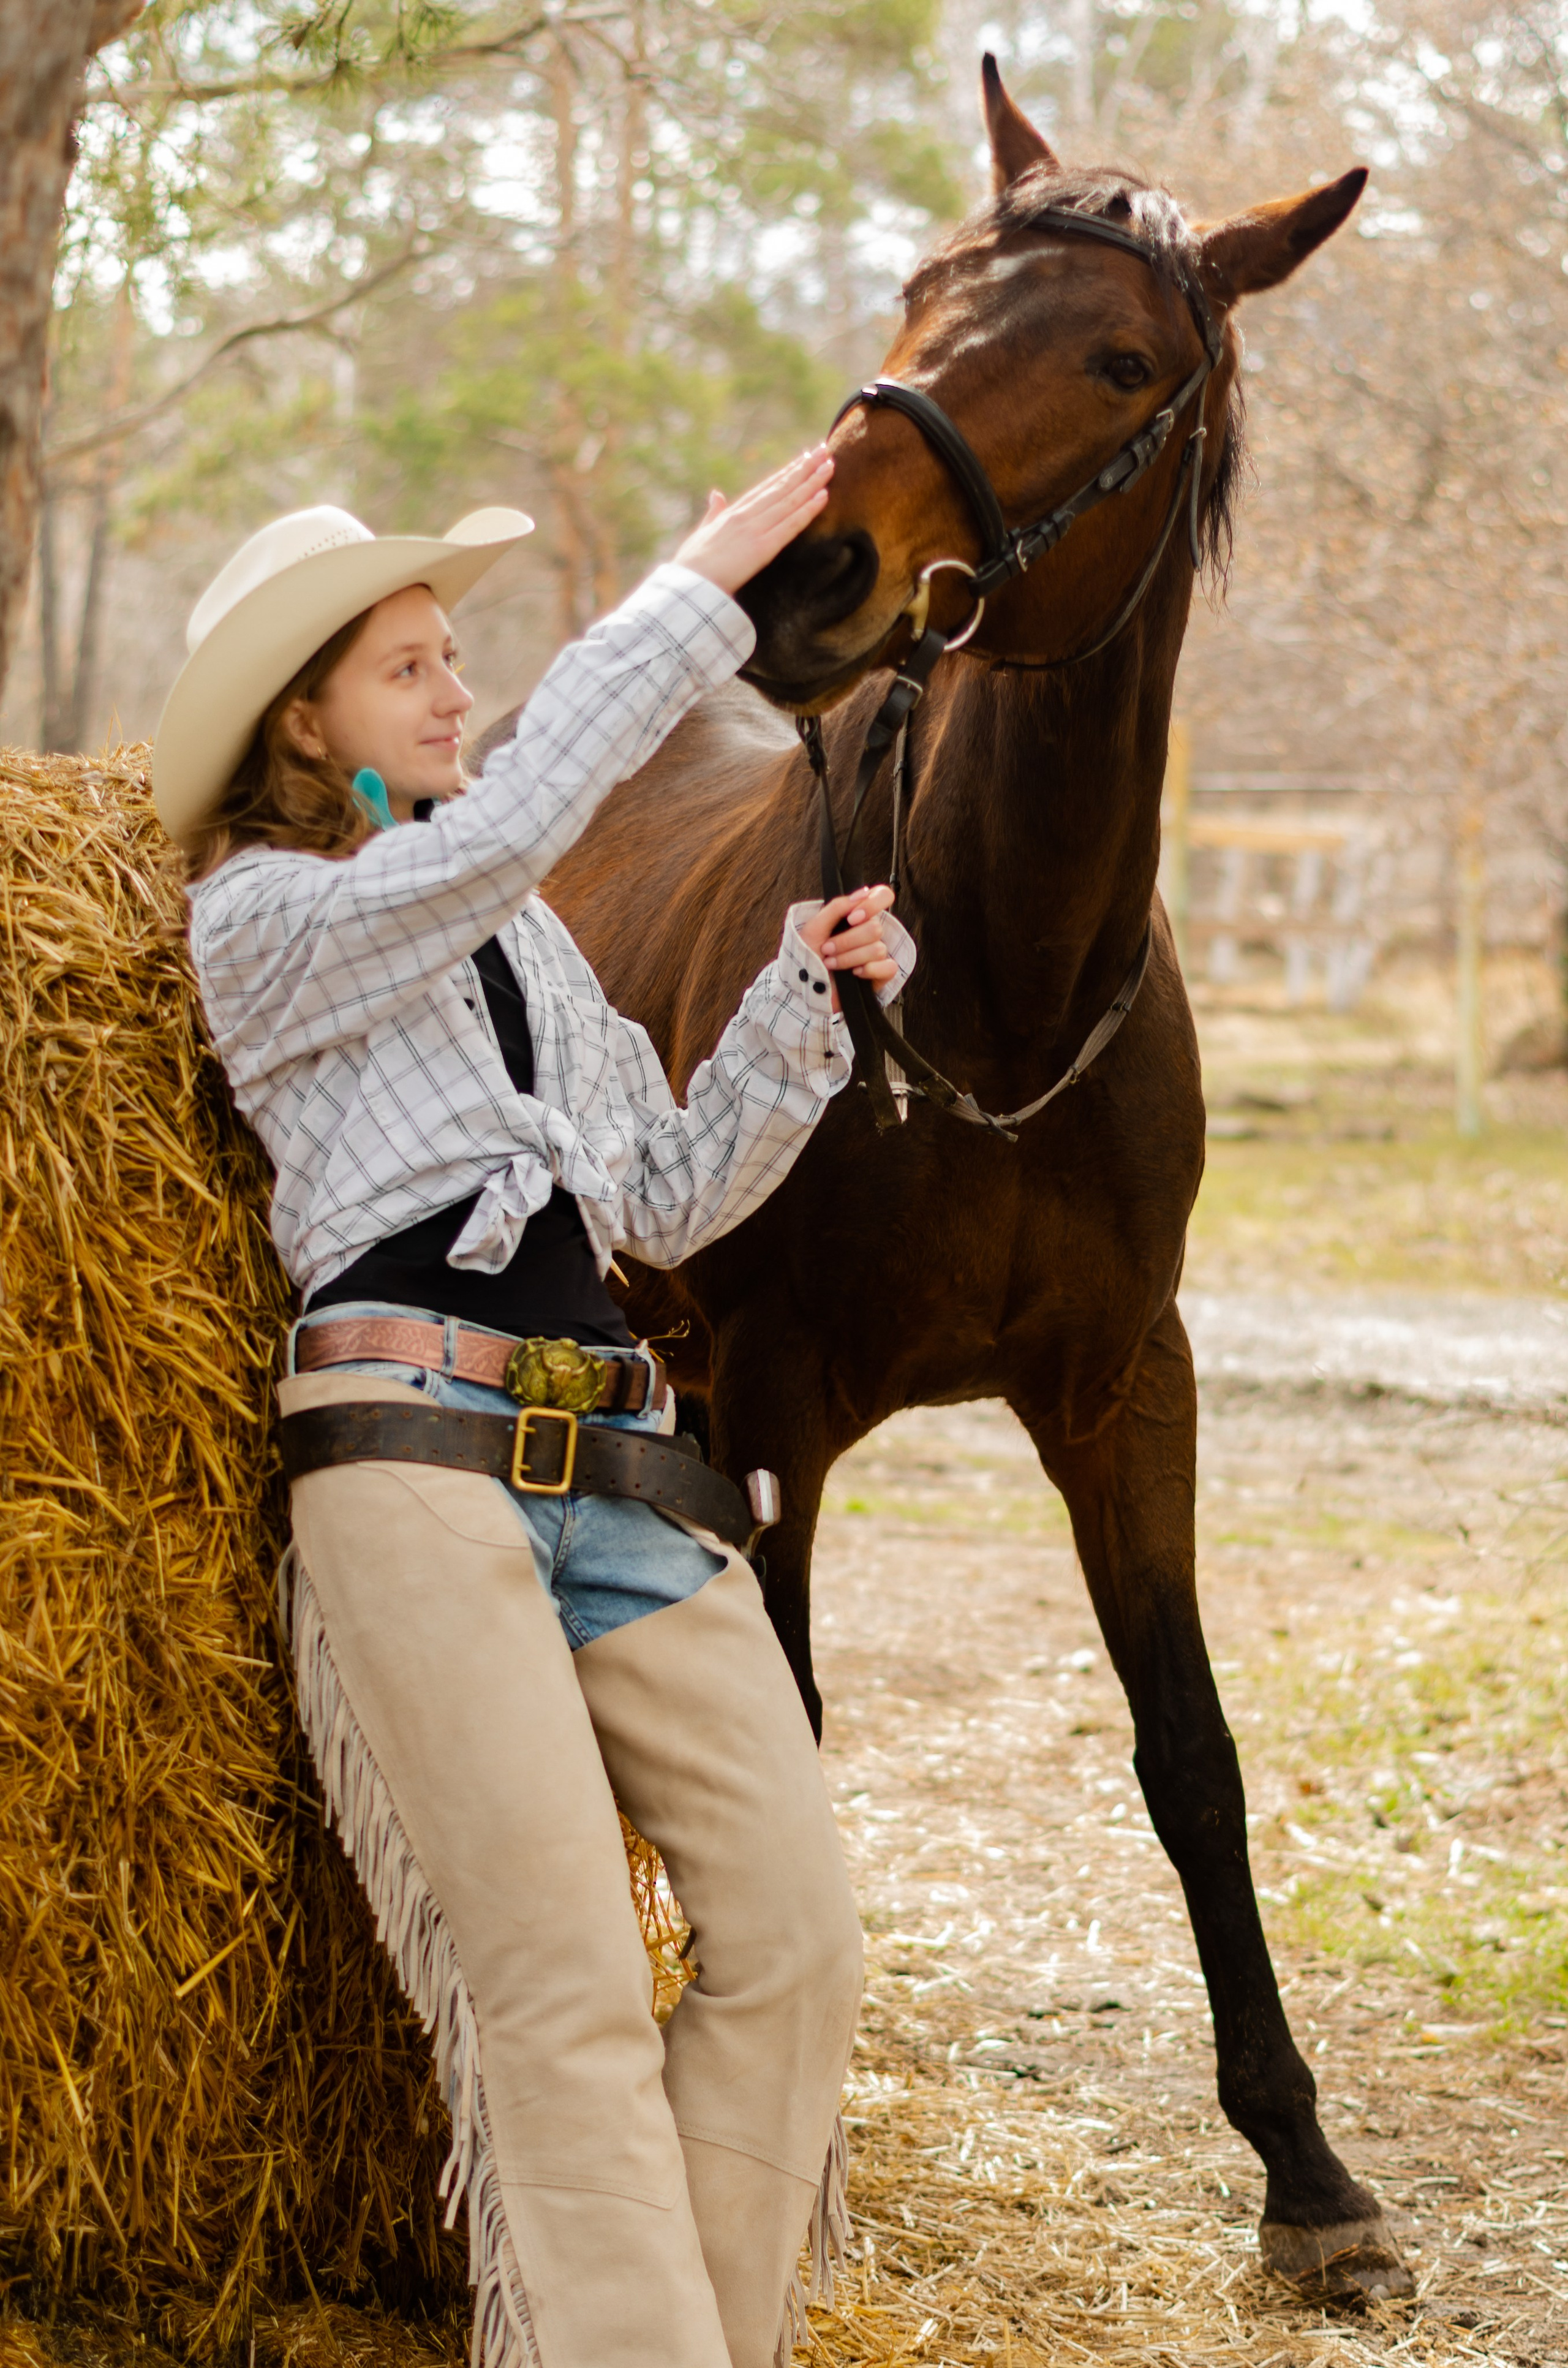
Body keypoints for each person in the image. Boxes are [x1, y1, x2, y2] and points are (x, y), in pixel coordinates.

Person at [151, 455, 914, 2368]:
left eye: (454, 654)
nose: (451, 690)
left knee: (797, 1934)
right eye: (405, 666)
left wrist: (800, 1002)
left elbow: (655, 1191)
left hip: (624, 1467)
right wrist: (698, 594)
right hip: (415, 1473)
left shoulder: (521, 939)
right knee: (564, 1985)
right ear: (301, 721)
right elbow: (493, 840)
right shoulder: (264, 921)